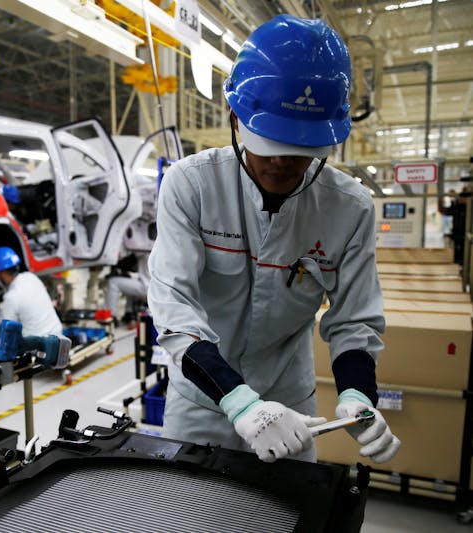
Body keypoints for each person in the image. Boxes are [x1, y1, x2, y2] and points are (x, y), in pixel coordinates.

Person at [147, 14, 401, 464]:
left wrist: (358, 393)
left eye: (302, 149)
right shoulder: (192, 185)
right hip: (202, 403)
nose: (283, 161)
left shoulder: (350, 208)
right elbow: (175, 310)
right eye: (272, 142)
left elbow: (354, 320)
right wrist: (238, 402)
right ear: (236, 120)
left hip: (290, 404)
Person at [0, 246, 63, 337]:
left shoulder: (12, 297)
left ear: (2, 273)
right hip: (58, 335)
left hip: (39, 346)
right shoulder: (31, 277)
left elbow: (3, 332)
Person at [103, 253, 149, 325]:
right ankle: (129, 313)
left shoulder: (144, 245)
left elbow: (124, 255)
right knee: (130, 280)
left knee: (112, 282)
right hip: (160, 287)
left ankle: (110, 318)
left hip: (148, 287)